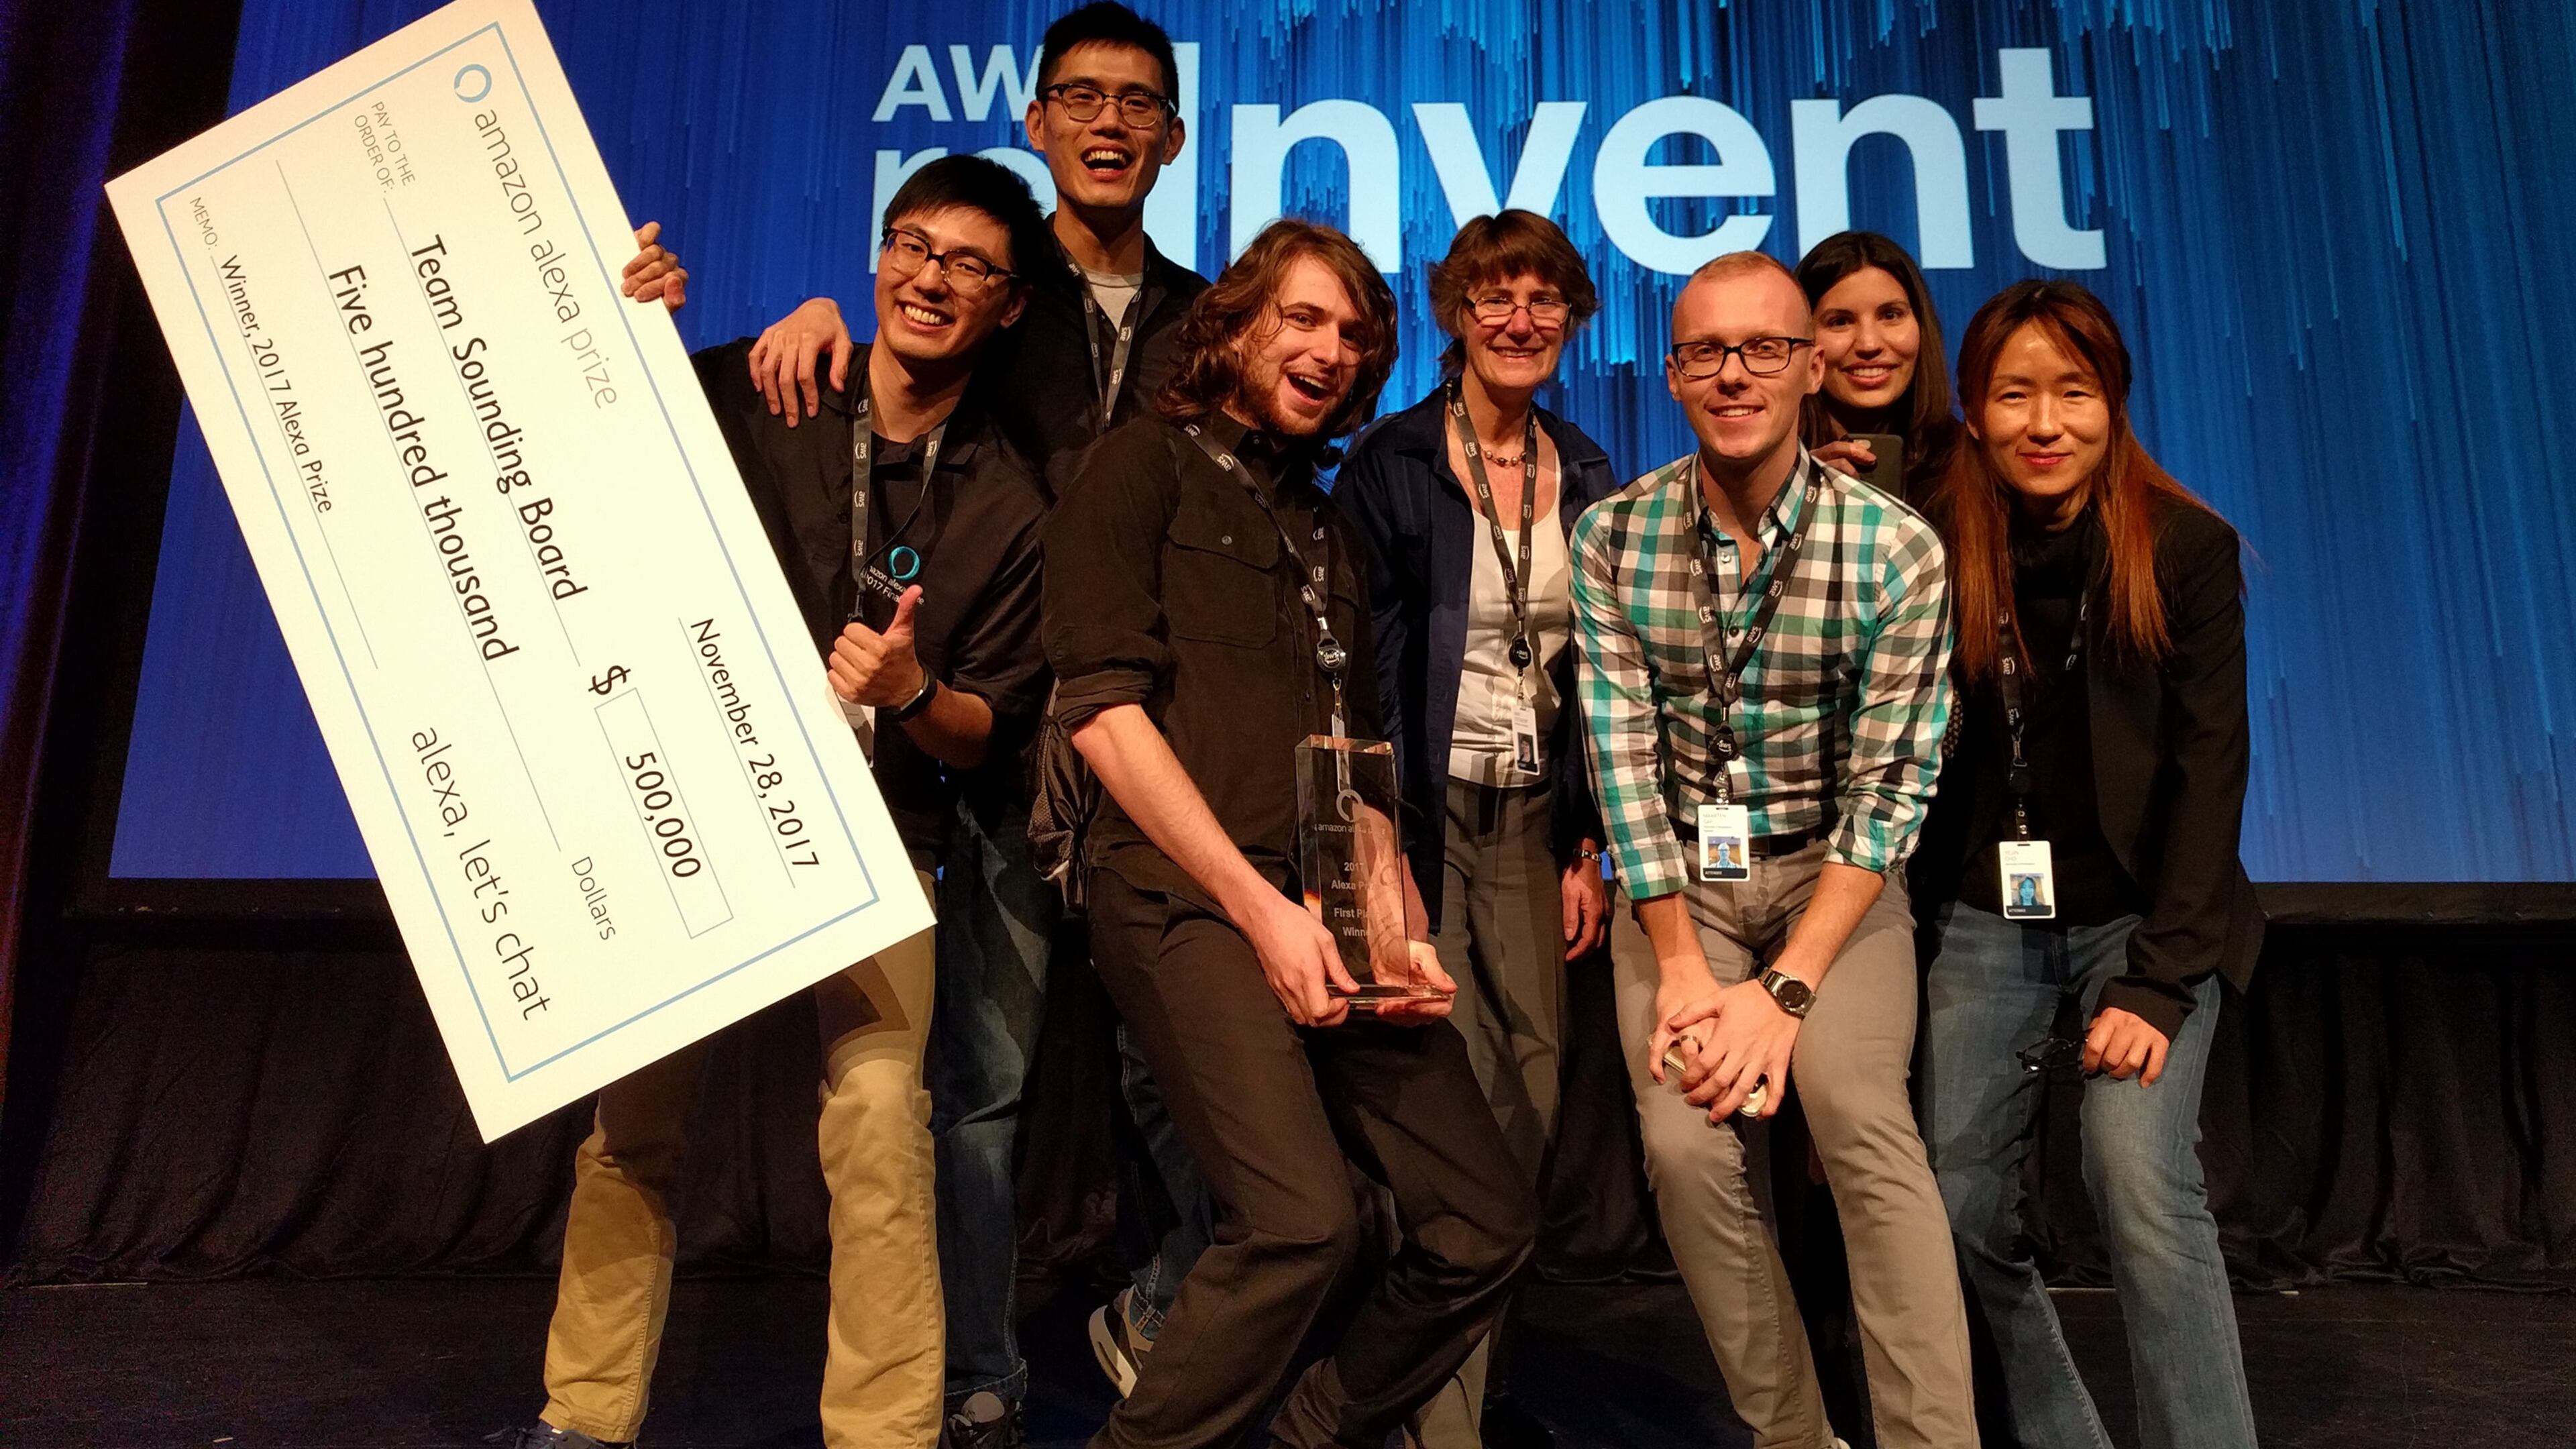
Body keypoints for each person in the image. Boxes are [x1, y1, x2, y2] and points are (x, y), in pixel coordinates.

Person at [622, 7, 1216, 1434]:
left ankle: (1170, 1322)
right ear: (1040, 120)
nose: (1110, 121)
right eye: (1080, 94)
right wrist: (796, 313)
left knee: (1180, 1070)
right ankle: (975, 1375)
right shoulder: (982, 291)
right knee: (979, 1085)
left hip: (1152, 733)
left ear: (1175, 137)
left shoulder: (1211, 316)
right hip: (991, 737)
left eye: (1138, 101)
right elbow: (879, 347)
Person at [491, 156, 1053, 1449]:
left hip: (876, 843)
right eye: (913, 244)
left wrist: (914, 691)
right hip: (691, 817)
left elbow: (986, 735)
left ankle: (884, 1433)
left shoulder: (1015, 501)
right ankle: (580, 1417)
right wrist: (619, 310)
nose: (930, 277)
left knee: (874, 1122)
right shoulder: (780, 383)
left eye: (969, 264)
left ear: (1010, 307)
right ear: (878, 257)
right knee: (630, 1129)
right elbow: (584, 445)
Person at [1042, 217, 1535, 1449]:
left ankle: (1312, 1436)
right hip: (1176, 898)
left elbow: (1361, 773)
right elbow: (1102, 715)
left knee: (1485, 1227)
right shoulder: (1136, 468)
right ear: (1238, 321)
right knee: (1303, 1221)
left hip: (1322, 908)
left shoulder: (1329, 531)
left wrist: (1394, 932)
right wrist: (1260, 914)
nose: (1329, 350)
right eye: (1302, 318)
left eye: (1356, 335)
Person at [1572, 250, 1976, 1449]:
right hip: (1680, 890)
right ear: (1673, 372)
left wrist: (1787, 992)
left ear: (1809, 369)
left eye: (1763, 349)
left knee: (1858, 1112)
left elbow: (1893, 788)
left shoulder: (1895, 549)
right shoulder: (1613, 537)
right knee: (1684, 1145)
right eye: (1707, 351)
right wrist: (1691, 973)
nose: (1734, 374)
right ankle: (1795, 1436)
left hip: (1832, 881)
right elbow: (1624, 766)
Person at [1913, 278, 2263, 1449]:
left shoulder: (2187, 548)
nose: (2045, 422)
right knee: (1953, 1207)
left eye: (2074, 392)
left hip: (2143, 920)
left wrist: (2160, 981)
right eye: (2015, 395)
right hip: (1985, 915)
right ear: (1973, 411)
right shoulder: (1932, 540)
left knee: (2137, 1183)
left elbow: (2215, 776)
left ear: (2114, 404)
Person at [1331, 209, 1620, 1448]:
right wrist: (1370, 838)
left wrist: (1585, 842)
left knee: (1534, 1104)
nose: (1519, 319)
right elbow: (1359, 664)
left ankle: (1460, 1375)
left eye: (1543, 299)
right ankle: (1424, 1413)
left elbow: (1606, 674)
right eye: (1494, 297)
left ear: (1570, 319)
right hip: (1419, 815)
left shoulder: (1591, 470)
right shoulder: (1393, 463)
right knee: (1443, 1095)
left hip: (1531, 818)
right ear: (1453, 313)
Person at [1793, 230, 1961, 502]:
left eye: (1891, 315)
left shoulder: (1978, 464)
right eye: (1840, 321)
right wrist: (1794, 494)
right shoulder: (1764, 472)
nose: (1869, 344)